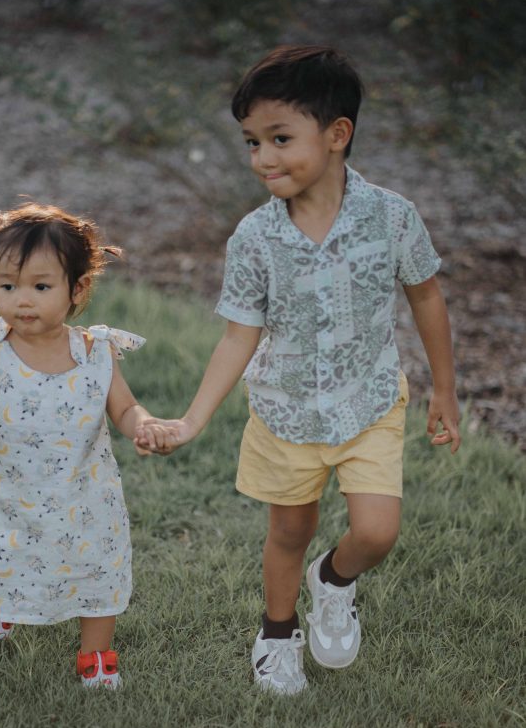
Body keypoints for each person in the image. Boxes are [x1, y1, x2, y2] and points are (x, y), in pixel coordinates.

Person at [137, 44, 461, 695]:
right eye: (252, 142)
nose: (263, 158)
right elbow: (239, 335)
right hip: (284, 409)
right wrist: (192, 420)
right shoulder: (254, 238)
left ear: (336, 134)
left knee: (377, 532)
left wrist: (445, 391)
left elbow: (425, 296)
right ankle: (277, 634)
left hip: (369, 399)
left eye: (279, 138)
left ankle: (333, 580)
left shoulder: (390, 216)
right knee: (289, 530)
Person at [0, 202, 173, 689]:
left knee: (96, 570)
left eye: (40, 287)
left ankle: (96, 654)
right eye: (8, 286)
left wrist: (144, 426)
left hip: (86, 499)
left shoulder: (96, 353)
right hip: (12, 497)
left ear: (76, 289)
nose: (23, 300)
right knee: (4, 561)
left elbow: (124, 408)